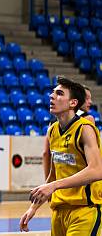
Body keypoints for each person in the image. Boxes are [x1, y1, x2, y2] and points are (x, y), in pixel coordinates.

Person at [20, 76, 102, 234]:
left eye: (59, 93)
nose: (52, 96)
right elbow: (53, 175)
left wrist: (54, 186)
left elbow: (97, 170)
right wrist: (33, 208)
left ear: (73, 103)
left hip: (84, 210)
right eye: (52, 93)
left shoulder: (85, 128)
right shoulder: (52, 130)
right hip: (59, 212)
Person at [42, 83, 96, 180]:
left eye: (59, 93)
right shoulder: (54, 127)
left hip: (81, 189)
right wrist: (48, 185)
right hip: (63, 189)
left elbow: (46, 153)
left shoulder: (85, 125)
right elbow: (49, 156)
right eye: (87, 98)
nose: (90, 102)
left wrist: (51, 184)